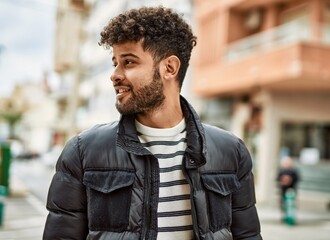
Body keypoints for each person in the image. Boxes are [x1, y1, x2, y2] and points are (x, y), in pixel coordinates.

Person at [43, 6, 262, 240]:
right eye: (114, 62)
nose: (115, 74)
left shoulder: (231, 152)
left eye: (128, 62)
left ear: (169, 68)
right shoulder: (82, 152)